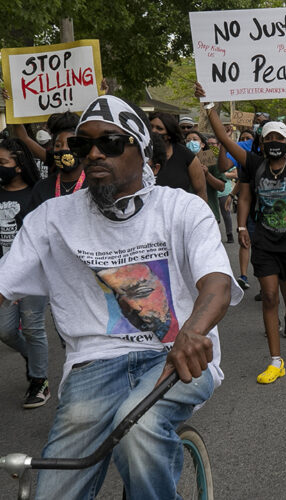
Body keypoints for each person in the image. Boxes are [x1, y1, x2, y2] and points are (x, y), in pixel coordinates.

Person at [0, 94, 242, 499]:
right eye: (82, 146)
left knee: (138, 430)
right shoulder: (50, 218)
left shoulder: (182, 209)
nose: (93, 154)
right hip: (92, 364)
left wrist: (193, 331)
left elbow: (216, 283)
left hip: (176, 357)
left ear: (142, 151)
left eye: (110, 143)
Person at [198, 85, 286, 384]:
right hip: (264, 242)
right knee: (268, 296)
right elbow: (224, 138)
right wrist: (209, 104)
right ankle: (276, 361)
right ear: (261, 143)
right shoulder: (254, 164)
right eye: (269, 138)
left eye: (279, 137)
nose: (274, 142)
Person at [0, 138, 51, 408]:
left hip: (32, 274)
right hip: (3, 274)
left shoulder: (36, 194)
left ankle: (39, 381)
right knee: (6, 331)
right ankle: (34, 359)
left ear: (19, 166)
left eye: (2, 163)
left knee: (32, 328)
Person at [149, 112, 207, 202]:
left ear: (169, 134)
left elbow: (201, 192)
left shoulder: (187, 157)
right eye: (151, 127)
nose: (153, 131)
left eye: (159, 128)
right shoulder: (139, 153)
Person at [185, 131, 227, 223]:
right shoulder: (182, 162)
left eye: (195, 140)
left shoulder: (211, 160)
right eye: (188, 141)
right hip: (187, 214)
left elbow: (221, 187)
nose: (191, 142)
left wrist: (207, 175)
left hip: (209, 212)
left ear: (203, 144)